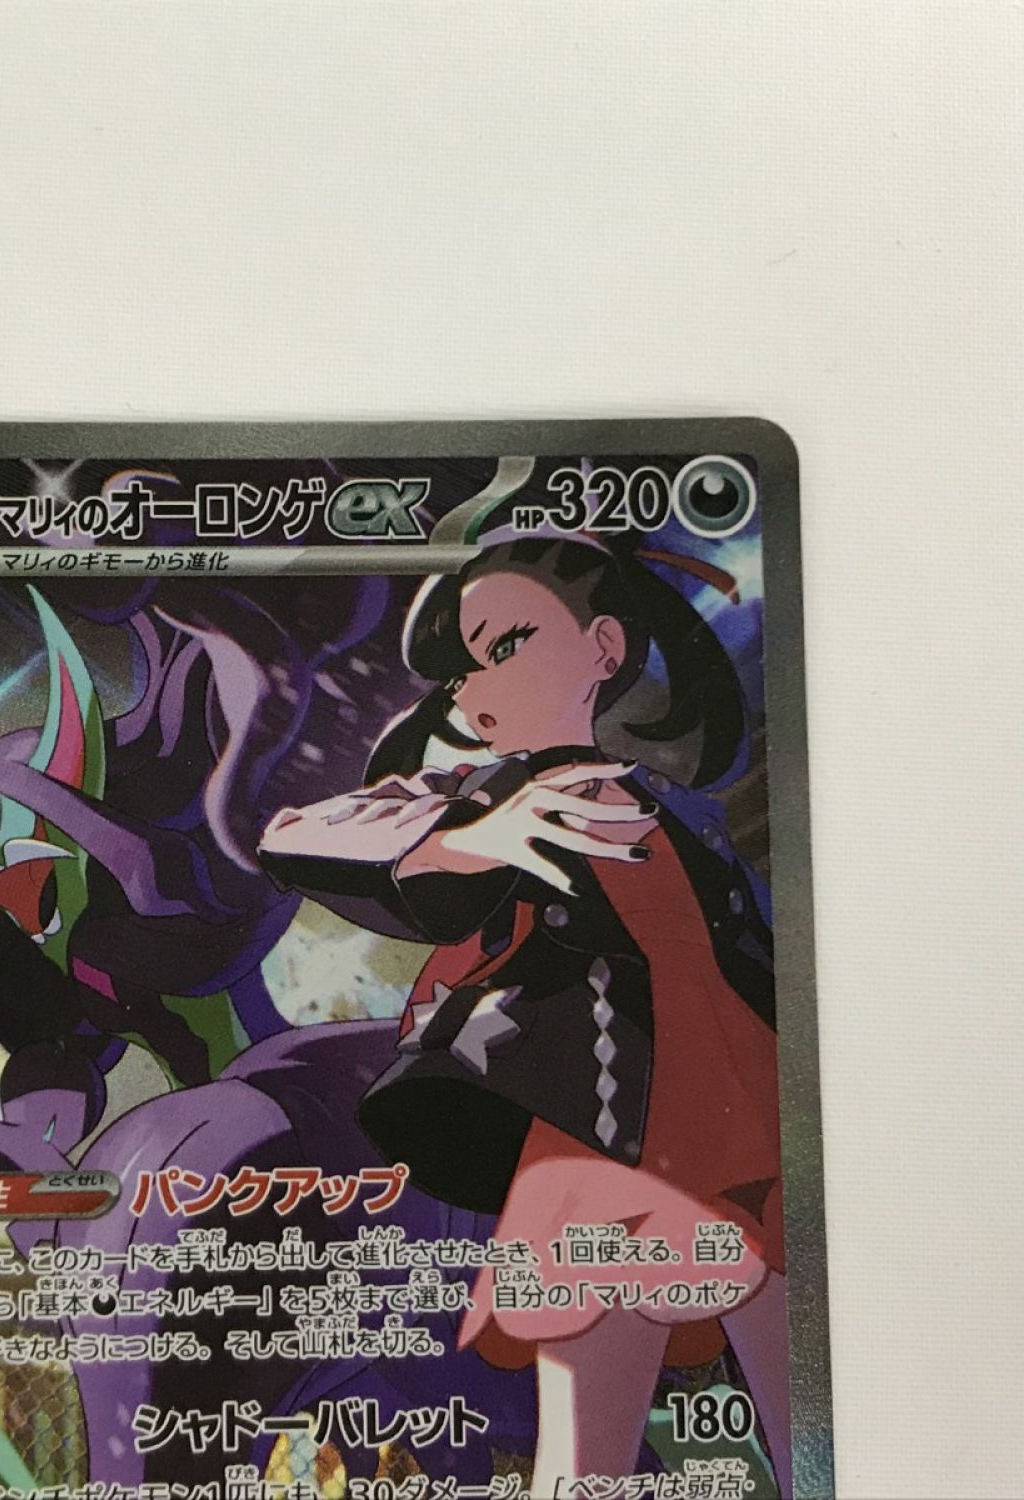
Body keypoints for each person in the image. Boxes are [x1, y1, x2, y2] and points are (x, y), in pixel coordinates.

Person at [257, 530, 790, 1496]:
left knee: (819, 1441)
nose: (475, 684)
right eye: (465, 666)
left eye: (507, 645)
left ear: (605, 647)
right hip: (601, 1136)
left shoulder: (674, 811)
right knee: (584, 1465)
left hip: (751, 1130)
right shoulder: (477, 797)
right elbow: (296, 830)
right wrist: (467, 838)